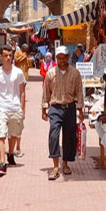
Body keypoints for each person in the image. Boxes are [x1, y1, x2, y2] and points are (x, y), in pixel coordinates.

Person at [41, 46, 84, 180]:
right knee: (54, 135)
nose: (62, 60)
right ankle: (55, 166)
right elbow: (46, 92)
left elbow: (79, 92)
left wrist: (80, 110)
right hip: (55, 108)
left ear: (68, 57)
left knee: (69, 136)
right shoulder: (50, 73)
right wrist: (44, 109)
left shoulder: (75, 73)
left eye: (64, 57)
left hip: (70, 107)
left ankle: (65, 164)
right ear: (56, 58)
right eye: (59, 57)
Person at [0, 45, 26, 176]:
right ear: (1, 56)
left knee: (14, 134)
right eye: (5, 55)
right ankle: (2, 162)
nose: (8, 58)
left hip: (15, 107)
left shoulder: (18, 72)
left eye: (10, 55)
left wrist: (22, 109)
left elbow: (22, 92)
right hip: (1, 108)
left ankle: (10, 153)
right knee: (1, 135)